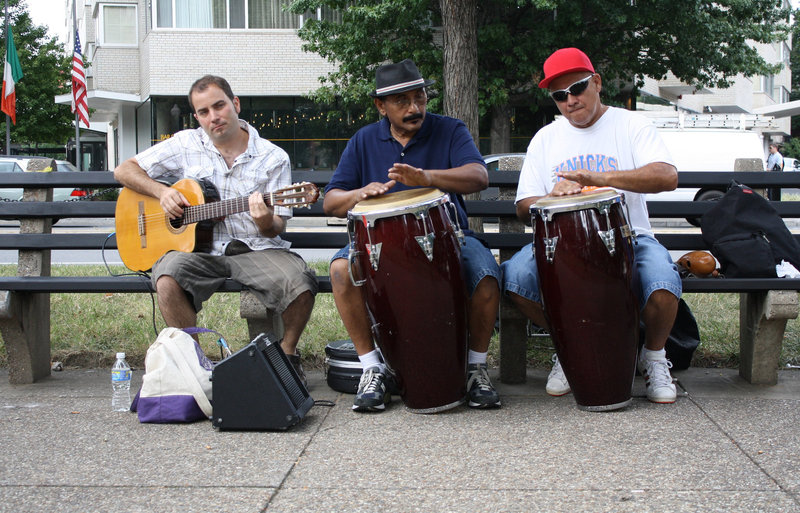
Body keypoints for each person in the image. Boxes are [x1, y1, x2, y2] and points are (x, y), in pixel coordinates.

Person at [501, 48, 682, 404]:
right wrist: (550, 196)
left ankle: (654, 357)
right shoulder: (545, 139)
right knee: (516, 278)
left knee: (662, 283)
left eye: (578, 88)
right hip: (560, 247)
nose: (570, 100)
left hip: (630, 239)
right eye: (559, 95)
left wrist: (596, 178)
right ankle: (572, 349)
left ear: (596, 82)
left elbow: (667, 176)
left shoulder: (631, 124)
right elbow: (524, 207)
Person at [114, 75, 318, 384]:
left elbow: (276, 227)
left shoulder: (273, 157)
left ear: (235, 104)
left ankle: (287, 356)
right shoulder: (186, 143)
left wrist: (264, 220)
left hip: (255, 248)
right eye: (204, 112)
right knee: (167, 277)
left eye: (219, 106)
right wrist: (162, 193)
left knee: (300, 282)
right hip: (200, 251)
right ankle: (194, 367)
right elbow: (124, 170)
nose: (214, 117)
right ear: (197, 117)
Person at [323, 59, 502, 412]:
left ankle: (475, 368)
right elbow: (331, 201)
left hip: (450, 236)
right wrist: (358, 194)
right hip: (378, 246)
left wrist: (428, 178)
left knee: (485, 276)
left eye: (419, 98)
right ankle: (373, 369)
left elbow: (479, 176)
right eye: (402, 101)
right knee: (341, 271)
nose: (414, 108)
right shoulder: (363, 140)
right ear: (381, 106)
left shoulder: (449, 129)